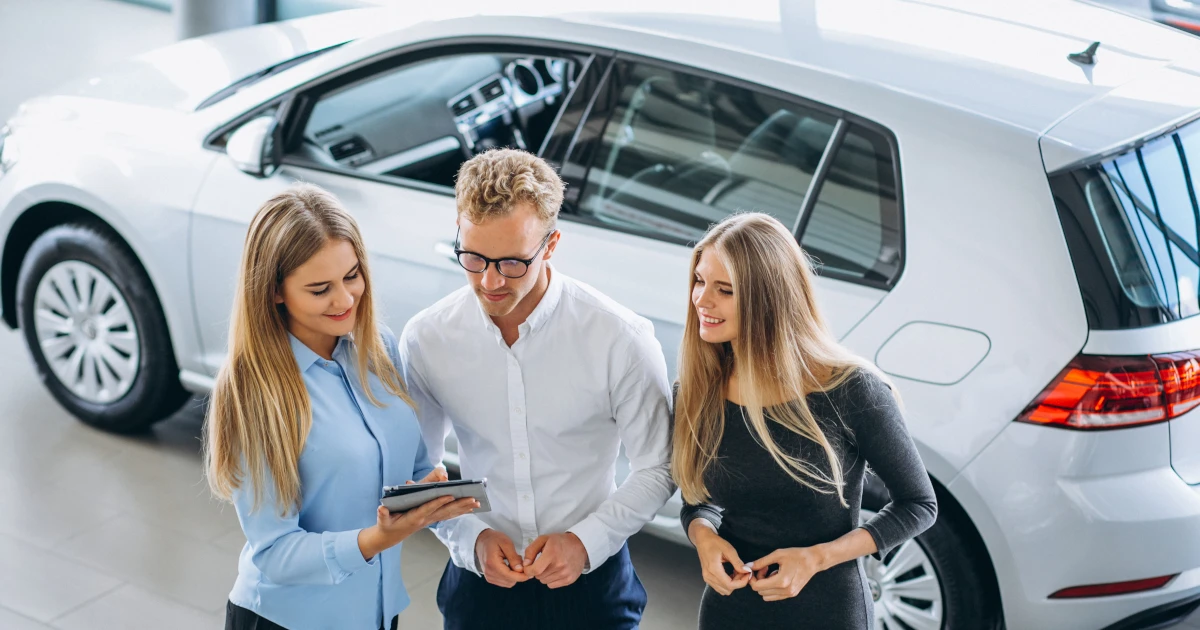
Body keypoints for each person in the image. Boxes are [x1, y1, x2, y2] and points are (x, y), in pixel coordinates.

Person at [399, 148, 674, 629]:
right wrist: (469, 536)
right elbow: (421, 468)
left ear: (550, 245)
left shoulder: (620, 338)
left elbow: (660, 465)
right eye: (474, 257)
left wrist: (587, 541)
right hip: (478, 581)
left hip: (594, 588)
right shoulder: (427, 338)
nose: (488, 281)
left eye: (511, 263)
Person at [204, 184, 478, 630]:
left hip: (375, 612)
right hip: (288, 620)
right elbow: (274, 551)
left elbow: (409, 469)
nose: (346, 299)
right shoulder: (254, 391)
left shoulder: (380, 349)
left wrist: (430, 496)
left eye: (352, 276)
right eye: (320, 289)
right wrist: (375, 539)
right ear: (274, 292)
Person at [674, 212, 938, 629]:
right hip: (730, 612)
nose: (702, 300)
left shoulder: (853, 390)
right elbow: (697, 497)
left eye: (724, 290)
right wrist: (704, 538)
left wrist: (816, 558)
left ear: (769, 299)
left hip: (827, 611)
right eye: (699, 281)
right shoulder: (698, 388)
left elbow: (919, 504)